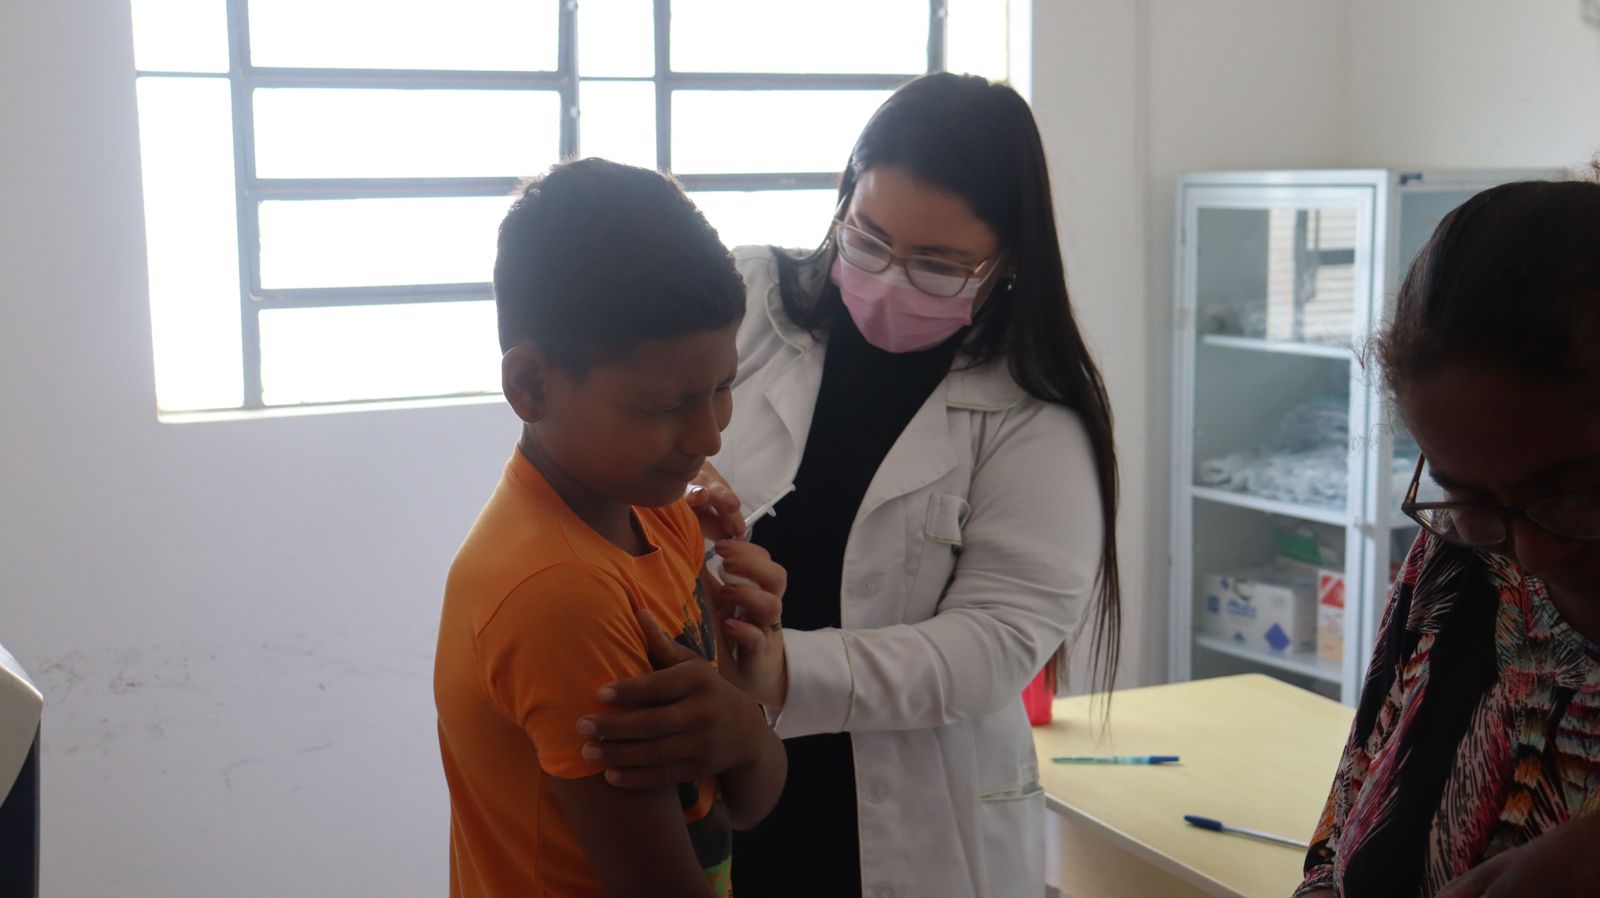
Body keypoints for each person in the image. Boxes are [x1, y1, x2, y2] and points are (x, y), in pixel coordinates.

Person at [580, 73, 1123, 897]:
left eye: (938, 265)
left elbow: (996, 641)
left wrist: (781, 670)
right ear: (844, 196)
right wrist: (680, 486)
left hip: (911, 823)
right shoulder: (746, 299)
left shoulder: (1033, 413)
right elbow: (618, 430)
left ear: (1010, 257)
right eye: (867, 238)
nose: (890, 278)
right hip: (714, 775)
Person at [433, 158, 789, 898]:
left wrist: (747, 731)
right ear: (530, 385)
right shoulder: (561, 596)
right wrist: (749, 736)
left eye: (722, 388)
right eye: (664, 406)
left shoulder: (661, 515)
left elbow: (745, 801)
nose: (709, 436)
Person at [1295, 176, 1600, 898]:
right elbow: (1340, 845)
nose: (1530, 555)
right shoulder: (1465, 554)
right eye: (1465, 495)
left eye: (1577, 493)